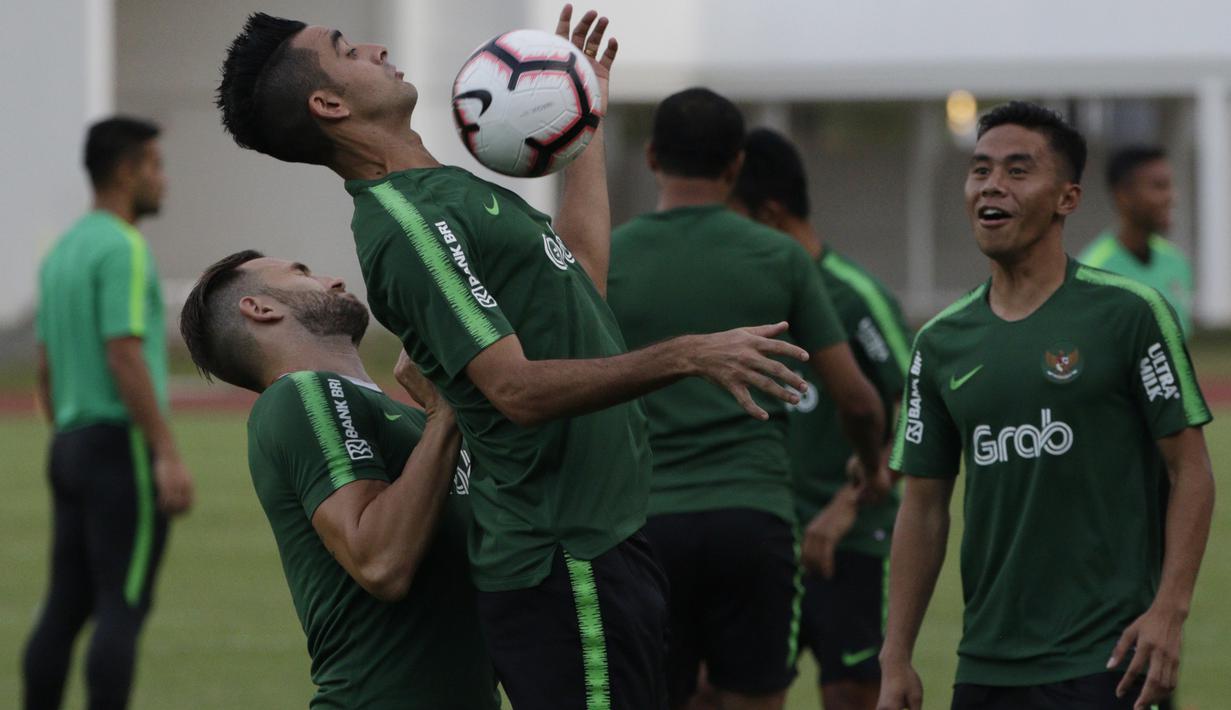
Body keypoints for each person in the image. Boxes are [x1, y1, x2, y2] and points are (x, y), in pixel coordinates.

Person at [215, 8, 812, 708]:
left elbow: (581, 278)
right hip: (563, 559)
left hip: (607, 542)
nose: (375, 48)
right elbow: (516, 391)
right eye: (347, 49)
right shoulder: (409, 227)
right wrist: (686, 355)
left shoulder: (454, 195)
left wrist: (583, 121)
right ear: (328, 103)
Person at [877, 102, 1215, 710]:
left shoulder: (1130, 314)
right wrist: (895, 655)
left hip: (1108, 659)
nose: (992, 186)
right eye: (980, 170)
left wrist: (1170, 611)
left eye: (1016, 170)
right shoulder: (940, 342)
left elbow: (1190, 469)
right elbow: (923, 507)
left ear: (1067, 198)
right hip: (985, 668)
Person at [606, 90, 886, 710]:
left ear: (652, 156)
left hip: (647, 524)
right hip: (753, 518)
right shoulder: (781, 256)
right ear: (735, 166)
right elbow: (860, 402)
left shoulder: (609, 257)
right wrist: (870, 470)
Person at [178, 250, 499, 709]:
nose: (330, 279)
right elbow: (380, 562)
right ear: (260, 308)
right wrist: (448, 413)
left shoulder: (418, 421)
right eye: (300, 272)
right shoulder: (304, 392)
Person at [730, 128, 911, 710]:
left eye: (733, 220)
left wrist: (845, 507)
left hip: (849, 540)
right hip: (761, 539)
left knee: (851, 693)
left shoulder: (856, 296)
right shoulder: (743, 296)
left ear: (770, 214)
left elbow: (921, 420)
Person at [24, 116, 195, 710]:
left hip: (68, 442)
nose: (163, 181)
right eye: (155, 166)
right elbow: (123, 353)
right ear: (127, 171)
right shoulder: (124, 247)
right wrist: (166, 451)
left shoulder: (62, 252)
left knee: (64, 607)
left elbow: (45, 364)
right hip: (117, 446)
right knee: (122, 603)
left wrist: (69, 436)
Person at [1078, 146, 1194, 338]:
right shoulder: (1093, 272)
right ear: (1123, 195)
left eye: (1170, 186)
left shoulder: (1177, 262)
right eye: (1159, 186)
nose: (1171, 197)